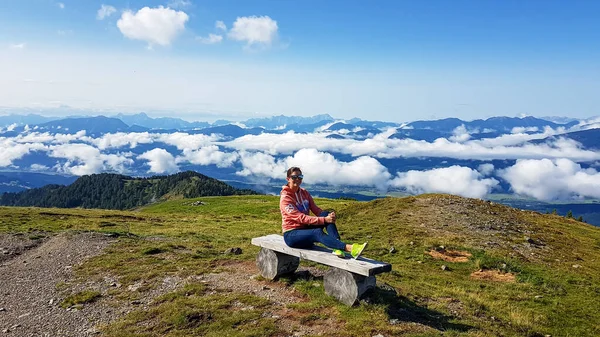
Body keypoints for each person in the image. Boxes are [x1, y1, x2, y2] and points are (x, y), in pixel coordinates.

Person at [279, 166, 367, 259]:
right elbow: (301, 218)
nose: (297, 179)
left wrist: (328, 216)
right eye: (294, 177)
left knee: (326, 214)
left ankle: (337, 248)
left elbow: (316, 210)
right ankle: (350, 248)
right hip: (292, 235)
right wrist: (324, 220)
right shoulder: (285, 198)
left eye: (300, 177)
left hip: (305, 229)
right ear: (288, 179)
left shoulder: (304, 193)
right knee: (317, 232)